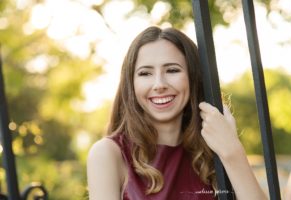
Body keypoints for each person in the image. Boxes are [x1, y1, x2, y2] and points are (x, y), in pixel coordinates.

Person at [87, 26, 267, 200]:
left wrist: (232, 151)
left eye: (172, 70)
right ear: (131, 85)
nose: (159, 84)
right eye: (145, 73)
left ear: (193, 78)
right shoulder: (108, 154)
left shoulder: (213, 150)